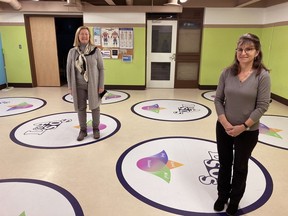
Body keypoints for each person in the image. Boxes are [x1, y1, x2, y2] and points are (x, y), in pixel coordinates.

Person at [213, 33, 271, 215]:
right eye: (240, 49)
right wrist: (224, 122)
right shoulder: (226, 73)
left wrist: (243, 127)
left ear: (257, 52)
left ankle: (234, 200)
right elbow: (218, 99)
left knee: (240, 166)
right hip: (224, 128)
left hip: (248, 131)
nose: (243, 53)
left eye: (248, 49)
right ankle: (222, 196)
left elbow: (262, 106)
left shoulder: (262, 76)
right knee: (224, 163)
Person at [66, 26, 105, 141]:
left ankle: (95, 129)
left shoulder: (96, 51)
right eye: (82, 34)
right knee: (81, 108)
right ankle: (83, 130)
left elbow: (101, 69)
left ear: (89, 36)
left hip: (93, 85)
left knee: (95, 107)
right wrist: (70, 87)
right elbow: (68, 70)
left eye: (86, 34)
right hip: (78, 85)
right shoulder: (72, 52)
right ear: (78, 36)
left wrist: (101, 85)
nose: (84, 36)